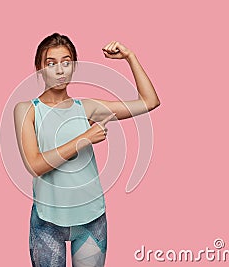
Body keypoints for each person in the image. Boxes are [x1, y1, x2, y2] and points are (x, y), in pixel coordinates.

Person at [14, 33, 160, 267]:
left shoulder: (87, 108)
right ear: (39, 68)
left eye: (67, 61)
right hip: (47, 220)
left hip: (91, 217)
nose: (60, 70)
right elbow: (35, 165)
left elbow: (149, 102)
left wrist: (130, 57)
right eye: (51, 63)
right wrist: (84, 138)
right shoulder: (26, 110)